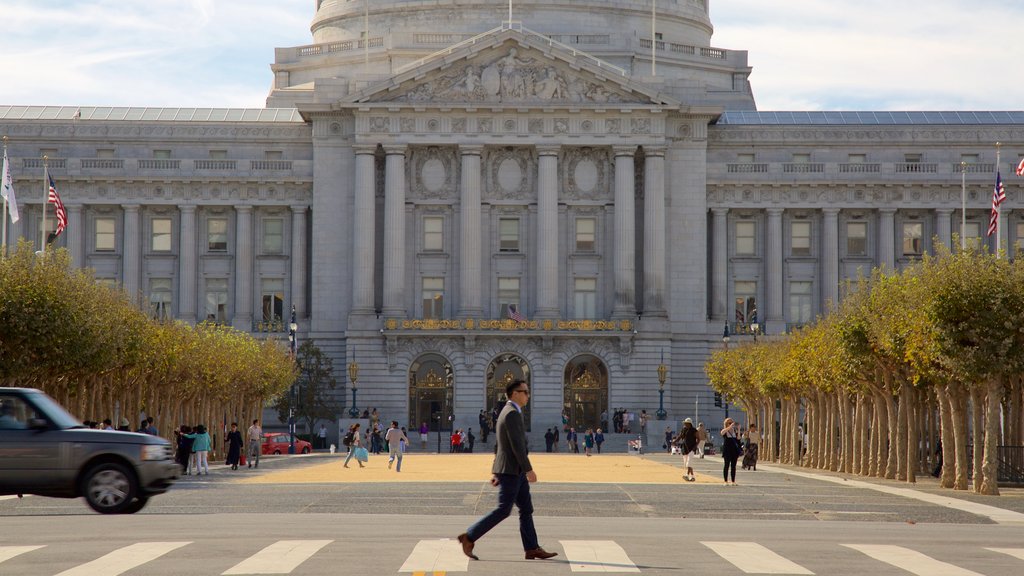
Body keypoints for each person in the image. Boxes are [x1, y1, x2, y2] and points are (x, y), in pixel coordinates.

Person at [457, 380, 558, 562]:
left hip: (513, 470)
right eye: (525, 392)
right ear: (514, 394)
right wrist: (529, 470)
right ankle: (469, 536)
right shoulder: (511, 413)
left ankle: (532, 548)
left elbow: (499, 444)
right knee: (504, 510)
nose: (528, 395)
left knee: (526, 509)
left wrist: (496, 470)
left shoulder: (510, 412)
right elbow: (516, 446)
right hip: (512, 470)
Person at [721, 418, 741, 485]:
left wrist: (738, 429)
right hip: (727, 450)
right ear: (726, 424)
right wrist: (729, 427)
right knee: (726, 465)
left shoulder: (735, 431)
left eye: (732, 423)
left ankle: (733, 481)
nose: (731, 424)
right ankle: (725, 481)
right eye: (729, 423)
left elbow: (738, 438)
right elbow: (722, 433)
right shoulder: (725, 431)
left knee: (733, 466)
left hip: (734, 450)